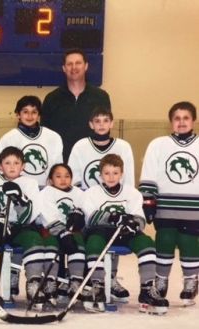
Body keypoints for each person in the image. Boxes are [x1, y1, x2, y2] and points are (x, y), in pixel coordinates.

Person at [81, 154, 168, 314]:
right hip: (100, 232)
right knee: (93, 242)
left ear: (122, 174)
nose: (111, 177)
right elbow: (90, 217)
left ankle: (147, 289)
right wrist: (114, 217)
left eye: (115, 173)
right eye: (107, 173)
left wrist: (133, 224)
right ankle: (98, 286)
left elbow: (139, 217)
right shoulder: (91, 192)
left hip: (125, 233)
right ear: (100, 175)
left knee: (147, 243)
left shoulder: (132, 192)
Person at [68, 106, 135, 302]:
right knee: (94, 240)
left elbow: (128, 179)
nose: (102, 125)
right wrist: (82, 204)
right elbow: (75, 179)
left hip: (116, 202)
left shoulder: (123, 146)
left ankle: (111, 278)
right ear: (91, 124)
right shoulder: (81, 146)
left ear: (112, 123)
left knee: (114, 238)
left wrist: (127, 205)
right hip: (90, 204)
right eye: (97, 121)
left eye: (106, 120)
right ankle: (93, 280)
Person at [139, 101, 199, 306]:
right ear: (171, 122)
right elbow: (149, 172)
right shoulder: (158, 144)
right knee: (164, 241)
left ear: (194, 120)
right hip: (166, 206)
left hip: (194, 208)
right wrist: (148, 200)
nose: (181, 122)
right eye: (177, 118)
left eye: (186, 118)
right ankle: (161, 279)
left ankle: (191, 280)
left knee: (189, 243)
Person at [0, 146, 45, 309]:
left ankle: (34, 282)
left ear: (23, 166)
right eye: (7, 163)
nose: (12, 166)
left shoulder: (30, 183)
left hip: (20, 227)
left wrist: (21, 201)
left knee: (34, 238)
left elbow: (32, 213)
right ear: (0, 166)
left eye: (16, 163)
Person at [41, 48, 111, 162]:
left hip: (91, 161)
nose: (74, 67)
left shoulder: (101, 97)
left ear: (86, 66)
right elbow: (46, 136)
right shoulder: (51, 99)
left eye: (78, 63)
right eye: (69, 64)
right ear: (64, 68)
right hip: (61, 165)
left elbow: (105, 131)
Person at [38, 163, 85, 307]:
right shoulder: (46, 192)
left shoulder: (78, 193)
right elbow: (46, 215)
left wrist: (79, 216)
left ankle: (75, 280)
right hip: (51, 230)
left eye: (67, 176)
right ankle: (50, 281)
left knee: (78, 244)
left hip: (71, 232)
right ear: (51, 179)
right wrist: (61, 231)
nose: (63, 179)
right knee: (51, 245)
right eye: (58, 176)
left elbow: (84, 209)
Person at [0, 95, 63, 188]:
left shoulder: (53, 137)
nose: (29, 116)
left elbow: (58, 168)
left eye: (34, 112)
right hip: (19, 189)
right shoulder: (8, 138)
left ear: (39, 115)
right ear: (18, 114)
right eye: (25, 112)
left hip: (46, 190)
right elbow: (2, 170)